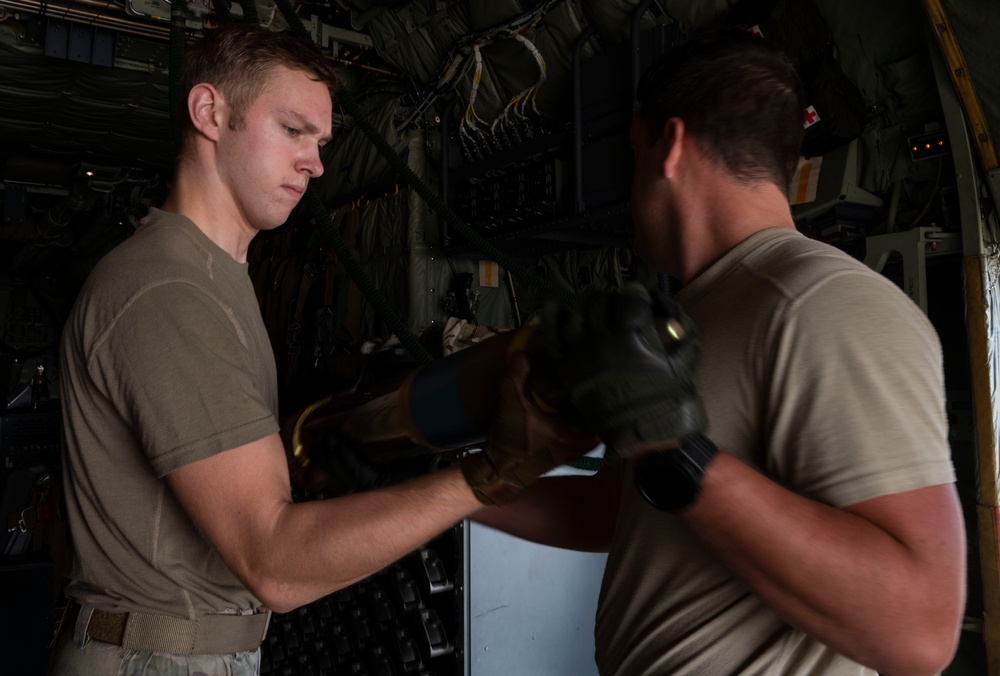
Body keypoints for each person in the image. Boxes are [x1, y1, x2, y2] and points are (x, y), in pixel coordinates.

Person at [50, 21, 595, 675]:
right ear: (209, 112)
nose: (317, 163)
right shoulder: (170, 291)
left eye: (323, 142)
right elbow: (273, 562)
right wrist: (490, 476)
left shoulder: (214, 280)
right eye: (292, 130)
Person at [475, 28, 966, 676]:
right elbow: (618, 511)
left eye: (635, 155)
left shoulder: (825, 302)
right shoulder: (698, 314)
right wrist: (451, 498)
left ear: (669, 148)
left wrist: (670, 446)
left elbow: (920, 631)